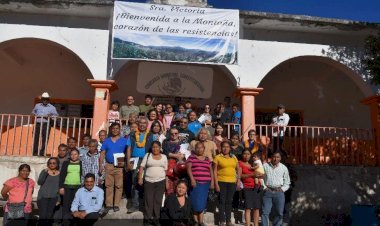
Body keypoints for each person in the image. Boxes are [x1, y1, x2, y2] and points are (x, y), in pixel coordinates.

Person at [126, 118, 153, 213]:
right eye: (140, 123)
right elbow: (129, 148)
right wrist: (128, 162)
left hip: (146, 160)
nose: (142, 125)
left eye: (144, 123)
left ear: (147, 125)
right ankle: (135, 205)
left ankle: (145, 206)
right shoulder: (132, 134)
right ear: (138, 124)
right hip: (134, 160)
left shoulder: (150, 135)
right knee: (135, 182)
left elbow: (154, 149)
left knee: (147, 182)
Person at [99, 122, 128, 213]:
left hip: (119, 166)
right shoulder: (107, 140)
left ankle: (116, 204)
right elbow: (102, 153)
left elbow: (128, 152)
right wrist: (101, 165)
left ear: (120, 130)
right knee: (108, 185)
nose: (115, 130)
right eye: (113, 128)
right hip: (109, 165)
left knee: (119, 185)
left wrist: (127, 164)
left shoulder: (124, 140)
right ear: (111, 130)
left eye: (117, 128)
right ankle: (109, 204)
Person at [138, 141, 168, 225]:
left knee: (158, 200)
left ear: (160, 148)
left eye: (157, 147)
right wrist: (140, 178)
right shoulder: (147, 155)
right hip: (148, 181)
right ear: (151, 148)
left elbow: (166, 171)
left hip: (160, 181)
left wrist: (166, 181)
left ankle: (156, 218)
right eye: (153, 147)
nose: (155, 149)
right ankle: (147, 218)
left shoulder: (164, 157)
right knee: (148, 200)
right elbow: (141, 167)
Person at [187, 142, 214, 226]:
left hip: (205, 184)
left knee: (202, 202)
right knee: (195, 202)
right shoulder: (191, 157)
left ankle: (201, 222)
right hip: (195, 183)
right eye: (197, 148)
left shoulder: (207, 159)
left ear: (204, 149)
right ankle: (195, 221)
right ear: (195, 149)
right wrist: (192, 179)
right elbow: (188, 169)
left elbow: (211, 171)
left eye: (201, 147)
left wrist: (212, 182)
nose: (199, 149)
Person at [214, 141, 240, 226]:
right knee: (222, 201)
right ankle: (222, 221)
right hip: (221, 181)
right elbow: (214, 171)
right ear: (221, 148)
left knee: (229, 201)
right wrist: (216, 183)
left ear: (230, 148)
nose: (225, 148)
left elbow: (238, 169)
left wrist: (238, 180)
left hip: (232, 182)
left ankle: (228, 221)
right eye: (224, 147)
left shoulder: (234, 157)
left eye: (227, 147)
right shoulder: (217, 157)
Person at [261, 151, 291, 226]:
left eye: (277, 157)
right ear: (271, 157)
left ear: (280, 158)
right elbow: (260, 178)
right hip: (268, 191)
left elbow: (287, 182)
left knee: (279, 213)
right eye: (274, 157)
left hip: (279, 192)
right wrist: (264, 187)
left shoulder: (283, 168)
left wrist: (282, 189)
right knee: (265, 212)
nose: (275, 159)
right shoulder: (265, 166)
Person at [238, 150, 263, 226]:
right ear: (242, 155)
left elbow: (261, 174)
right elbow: (240, 176)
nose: (246, 156)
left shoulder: (253, 163)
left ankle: (256, 224)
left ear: (250, 155)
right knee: (248, 207)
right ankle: (248, 224)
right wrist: (251, 175)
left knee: (256, 207)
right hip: (247, 187)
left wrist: (259, 175)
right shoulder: (240, 163)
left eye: (248, 154)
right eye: (245, 154)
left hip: (257, 187)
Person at [32, 92, 59, 156]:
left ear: (48, 99)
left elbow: (56, 116)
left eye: (46, 99)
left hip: (46, 124)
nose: (45, 100)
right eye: (44, 99)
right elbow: (33, 112)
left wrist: (51, 116)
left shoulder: (52, 107)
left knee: (45, 139)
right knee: (36, 138)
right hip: (38, 123)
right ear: (42, 99)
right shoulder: (37, 105)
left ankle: (42, 153)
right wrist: (35, 115)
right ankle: (35, 153)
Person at [60, 149, 82, 222]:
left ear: (78, 155)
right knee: (66, 205)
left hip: (78, 187)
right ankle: (65, 222)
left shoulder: (81, 163)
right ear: (69, 155)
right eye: (72, 154)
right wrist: (61, 187)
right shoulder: (66, 163)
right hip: (67, 186)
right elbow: (62, 176)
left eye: (75, 154)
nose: (73, 156)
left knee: (75, 205)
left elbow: (82, 175)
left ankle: (73, 221)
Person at [37, 157, 60, 226]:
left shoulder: (60, 174)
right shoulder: (44, 171)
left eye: (54, 163)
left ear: (57, 164)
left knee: (49, 216)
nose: (52, 164)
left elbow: (60, 187)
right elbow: (40, 182)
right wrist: (45, 173)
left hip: (53, 198)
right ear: (48, 164)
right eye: (50, 163)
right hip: (43, 197)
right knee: (43, 216)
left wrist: (59, 199)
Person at [162, 127, 185, 195]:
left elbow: (185, 153)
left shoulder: (183, 142)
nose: (174, 135)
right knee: (168, 187)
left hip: (180, 167)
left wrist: (181, 156)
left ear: (178, 134)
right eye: (172, 134)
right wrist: (176, 155)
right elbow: (165, 153)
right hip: (168, 166)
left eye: (176, 133)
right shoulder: (166, 142)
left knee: (178, 185)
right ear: (169, 134)